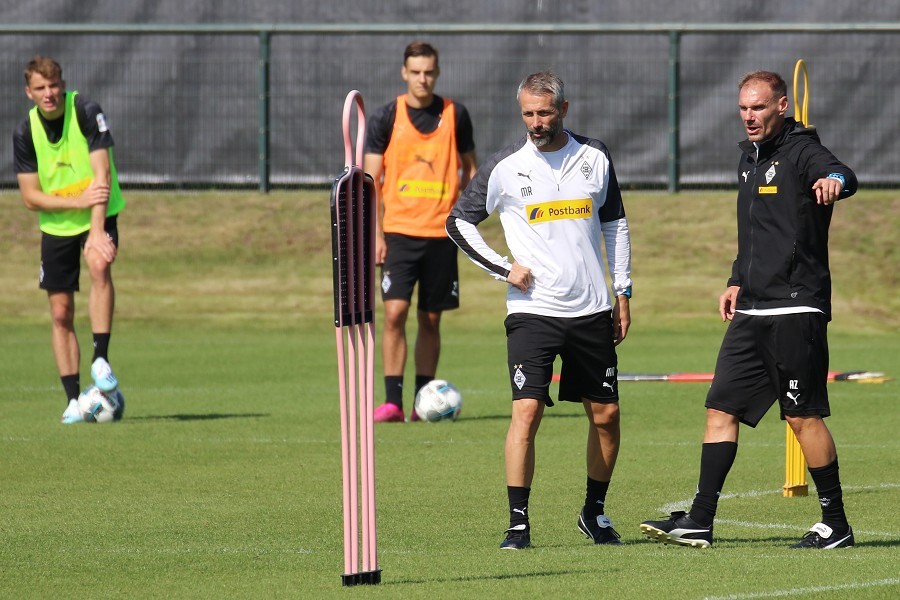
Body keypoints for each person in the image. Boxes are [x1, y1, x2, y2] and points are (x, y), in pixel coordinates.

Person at [640, 71, 857, 549]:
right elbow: (755, 232)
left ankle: (836, 524)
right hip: (752, 309)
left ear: (781, 105)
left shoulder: (802, 150)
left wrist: (833, 181)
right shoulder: (748, 158)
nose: (749, 117)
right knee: (720, 408)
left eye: (758, 108)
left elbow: (843, 172)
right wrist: (736, 278)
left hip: (796, 308)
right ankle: (700, 519)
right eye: (743, 108)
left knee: (802, 417)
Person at [447, 71, 633, 549]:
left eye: (544, 112)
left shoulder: (595, 156)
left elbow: (615, 224)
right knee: (527, 411)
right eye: (528, 113)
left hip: (592, 309)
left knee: (606, 416)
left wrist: (623, 291)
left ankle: (593, 512)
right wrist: (502, 268)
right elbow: (458, 223)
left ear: (563, 110)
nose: (536, 122)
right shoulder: (505, 167)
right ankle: (518, 524)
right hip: (533, 312)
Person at [364, 41, 478, 423]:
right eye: (415, 72)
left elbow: (472, 172)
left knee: (431, 319)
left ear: (438, 71)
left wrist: (464, 221)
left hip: (441, 235)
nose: (422, 78)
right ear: (404, 73)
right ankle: (392, 401)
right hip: (397, 232)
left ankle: (421, 401)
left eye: (428, 71)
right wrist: (375, 236)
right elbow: (369, 182)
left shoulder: (455, 115)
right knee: (394, 312)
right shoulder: (385, 118)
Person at [13, 56, 126, 424]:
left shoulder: (86, 111)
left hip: (99, 212)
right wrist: (74, 201)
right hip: (58, 225)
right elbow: (31, 197)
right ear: (29, 92)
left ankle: (101, 358)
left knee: (99, 262)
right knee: (60, 312)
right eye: (40, 88)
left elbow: (102, 175)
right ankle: (73, 400)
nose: (49, 94)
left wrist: (96, 232)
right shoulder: (25, 132)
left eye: (54, 85)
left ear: (63, 84)